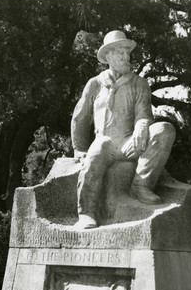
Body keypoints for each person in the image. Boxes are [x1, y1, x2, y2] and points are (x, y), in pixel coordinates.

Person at [72, 30, 176, 229]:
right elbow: (80, 117)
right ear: (108, 56)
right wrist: (79, 149)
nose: (125, 56)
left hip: (130, 141)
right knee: (94, 156)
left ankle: (141, 185)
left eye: (127, 52)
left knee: (164, 129)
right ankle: (86, 213)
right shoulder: (95, 84)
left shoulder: (139, 83)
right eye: (119, 52)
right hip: (105, 142)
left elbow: (143, 115)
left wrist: (141, 129)